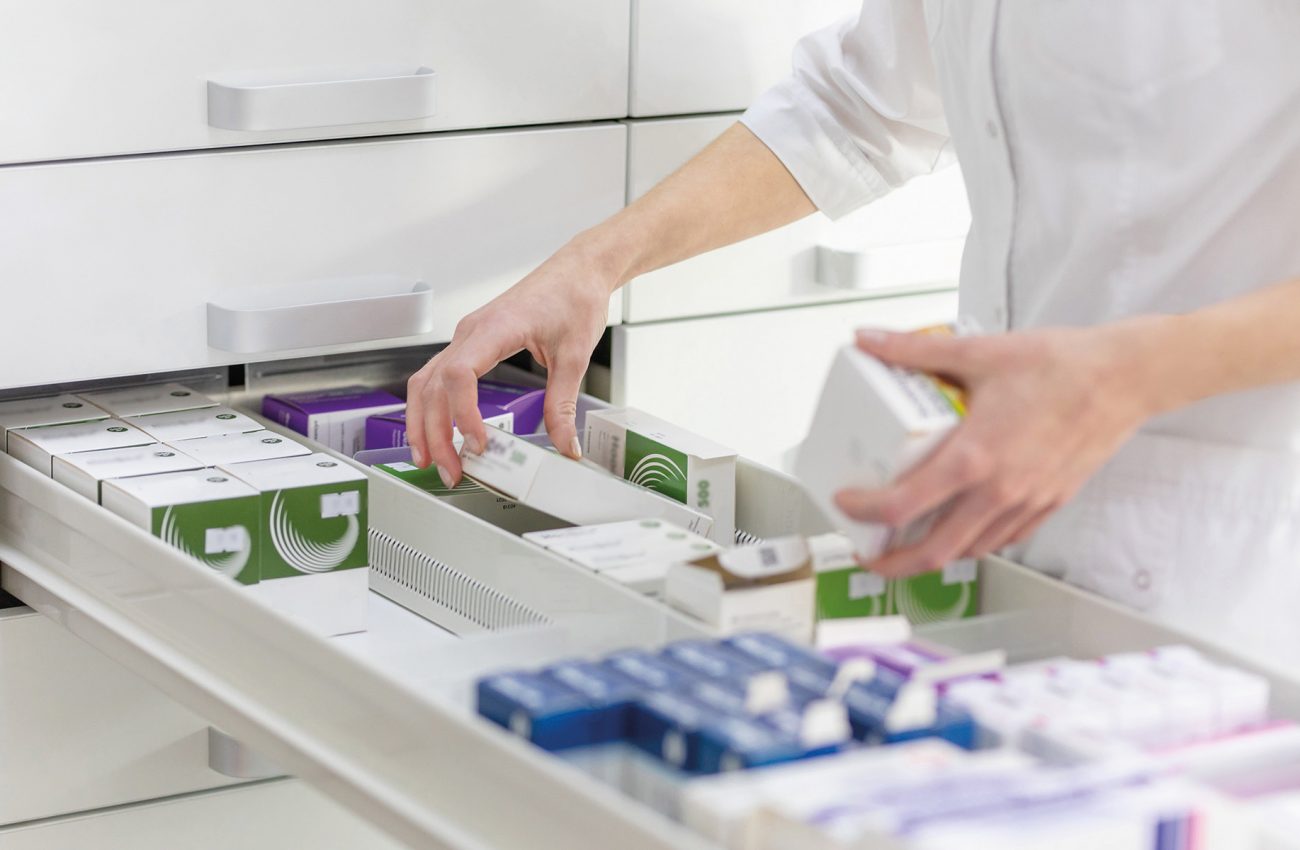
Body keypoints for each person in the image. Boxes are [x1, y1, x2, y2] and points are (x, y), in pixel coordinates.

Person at [405, 2, 1300, 667]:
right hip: (985, 531)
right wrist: (597, 262)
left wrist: (1128, 377)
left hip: (1226, 578)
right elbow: (863, 104)